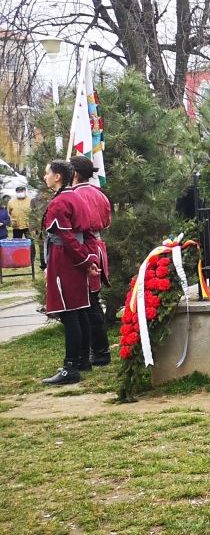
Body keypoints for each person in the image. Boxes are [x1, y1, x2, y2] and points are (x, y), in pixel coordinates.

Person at [40, 161, 99, 385]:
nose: (44, 176)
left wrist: (85, 260)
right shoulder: (76, 197)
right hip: (75, 258)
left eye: (47, 173)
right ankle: (83, 359)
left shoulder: (61, 201)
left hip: (65, 260)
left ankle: (71, 366)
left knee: (69, 312)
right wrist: (89, 259)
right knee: (80, 309)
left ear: (57, 177)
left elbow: (67, 237)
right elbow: (87, 234)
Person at [70, 156, 112, 367]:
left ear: (74, 173)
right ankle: (97, 351)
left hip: (86, 248)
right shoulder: (99, 194)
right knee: (91, 301)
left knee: (89, 304)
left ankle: (100, 352)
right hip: (97, 246)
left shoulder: (74, 196)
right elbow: (107, 221)